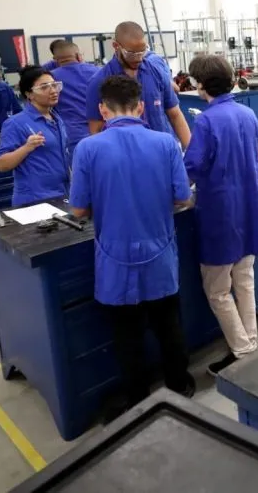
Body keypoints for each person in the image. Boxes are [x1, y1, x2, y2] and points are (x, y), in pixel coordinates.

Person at [69, 75, 196, 415]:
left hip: (114, 256)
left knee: (127, 334)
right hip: (160, 251)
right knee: (168, 325)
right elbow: (183, 198)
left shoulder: (88, 148)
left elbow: (78, 209)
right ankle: (179, 385)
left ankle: (138, 400)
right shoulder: (165, 144)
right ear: (141, 107)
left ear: (102, 109)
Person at [183, 55, 258, 377]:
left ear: (200, 84)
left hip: (220, 213)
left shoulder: (205, 121)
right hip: (248, 208)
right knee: (244, 280)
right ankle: (251, 342)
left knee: (218, 290)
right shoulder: (247, 113)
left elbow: (193, 166)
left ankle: (242, 349)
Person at [85, 21, 191, 149]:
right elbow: (95, 130)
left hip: (161, 152)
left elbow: (175, 115)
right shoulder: (99, 81)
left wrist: (191, 152)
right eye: (132, 54)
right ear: (116, 46)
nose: (139, 58)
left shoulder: (155, 72)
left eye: (142, 52)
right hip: (124, 158)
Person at [0, 66, 69, 207]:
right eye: (44, 87)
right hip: (34, 199)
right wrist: (27, 148)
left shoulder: (56, 118)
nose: (53, 91)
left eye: (55, 85)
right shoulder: (15, 123)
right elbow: (2, 165)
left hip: (62, 194)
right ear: (29, 94)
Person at [51, 43, 99, 157]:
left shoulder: (51, 78)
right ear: (78, 55)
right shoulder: (98, 71)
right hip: (100, 130)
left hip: (72, 135)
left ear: (55, 60)